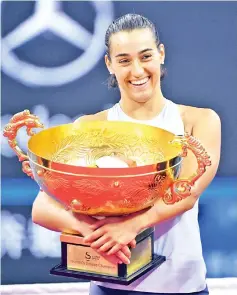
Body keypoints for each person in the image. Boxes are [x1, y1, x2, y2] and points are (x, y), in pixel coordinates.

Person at [32, 14, 221, 295]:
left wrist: (131, 226)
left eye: (145, 56)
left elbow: (187, 194)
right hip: (109, 285)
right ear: (109, 64)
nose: (137, 71)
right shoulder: (89, 128)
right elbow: (43, 208)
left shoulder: (198, 121)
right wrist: (90, 231)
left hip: (182, 286)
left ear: (161, 54)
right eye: (123, 60)